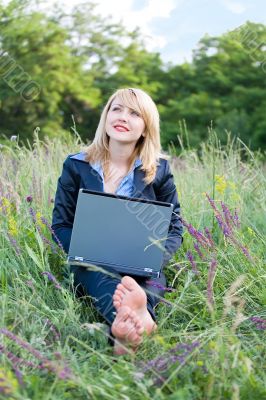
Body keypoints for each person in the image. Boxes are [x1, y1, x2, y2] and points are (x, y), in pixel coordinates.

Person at [51, 88, 183, 355]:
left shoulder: (158, 171)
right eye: (117, 109)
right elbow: (61, 225)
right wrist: (83, 250)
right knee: (104, 280)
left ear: (146, 128)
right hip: (93, 261)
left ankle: (128, 328)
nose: (123, 116)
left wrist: (155, 257)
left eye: (134, 113)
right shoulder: (77, 166)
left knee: (150, 281)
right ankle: (136, 320)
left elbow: (175, 226)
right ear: (106, 116)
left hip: (143, 262)